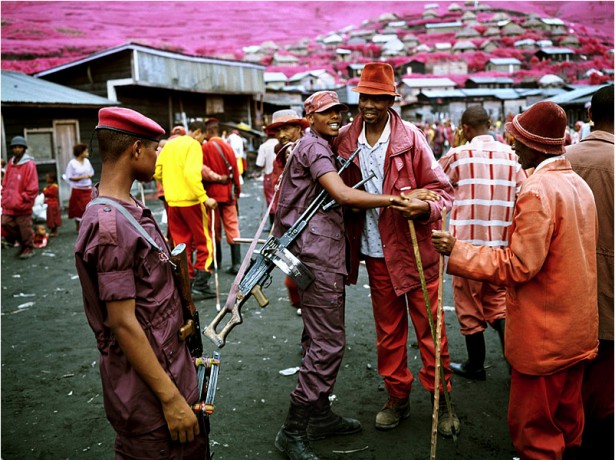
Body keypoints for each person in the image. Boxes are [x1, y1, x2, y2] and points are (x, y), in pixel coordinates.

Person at [432, 101, 599, 459]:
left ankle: (476, 364)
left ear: (534, 145)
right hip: (577, 330)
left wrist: (455, 250)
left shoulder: (539, 189)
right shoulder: (577, 185)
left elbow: (520, 266)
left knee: (534, 431)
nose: (513, 146)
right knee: (569, 424)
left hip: (545, 336)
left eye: (518, 141)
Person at [272, 90, 421, 460]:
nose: (336, 117)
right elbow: (342, 195)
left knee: (318, 336)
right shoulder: (316, 149)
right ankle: (293, 430)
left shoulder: (313, 145)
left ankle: (319, 414)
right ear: (311, 117)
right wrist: (393, 199)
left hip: (314, 254)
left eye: (339, 111)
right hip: (317, 256)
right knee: (328, 344)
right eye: (326, 113)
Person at [74, 107, 209, 459]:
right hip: (150, 395)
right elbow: (122, 322)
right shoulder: (111, 227)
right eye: (155, 148)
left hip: (168, 366)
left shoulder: (126, 206)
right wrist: (171, 400)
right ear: (135, 150)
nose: (158, 155)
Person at [332, 62, 458, 436]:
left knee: (431, 331)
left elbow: (443, 193)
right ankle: (397, 397)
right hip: (374, 252)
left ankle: (443, 400)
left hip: (414, 248)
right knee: (388, 332)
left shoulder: (412, 139)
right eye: (364, 97)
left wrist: (423, 207)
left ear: (390, 100)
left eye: (377, 98)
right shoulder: (344, 139)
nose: (368, 105)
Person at [438, 105, 527, 380]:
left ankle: (475, 365)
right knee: (499, 304)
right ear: (490, 124)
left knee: (468, 306)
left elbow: (434, 185)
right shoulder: (513, 158)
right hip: (501, 249)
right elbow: (525, 193)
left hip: (465, 249)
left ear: (465, 129)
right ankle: (514, 367)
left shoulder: (457, 156)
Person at [565, 84, 614, 458]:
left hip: (565, 287)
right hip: (609, 289)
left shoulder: (562, 159)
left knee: (570, 377)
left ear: (590, 115)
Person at [154, 120, 217, 300]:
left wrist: (172, 186)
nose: (203, 141)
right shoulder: (193, 145)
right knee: (204, 242)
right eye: (203, 137)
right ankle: (202, 284)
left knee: (181, 245)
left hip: (173, 202)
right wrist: (204, 198)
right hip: (191, 202)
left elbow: (157, 172)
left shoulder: (170, 145)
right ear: (198, 132)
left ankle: (186, 284)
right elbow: (191, 174)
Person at [263, 109, 310, 314]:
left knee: (307, 277)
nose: (281, 134)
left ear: (299, 129)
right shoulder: (281, 155)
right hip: (288, 222)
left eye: (286, 128)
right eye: (278, 130)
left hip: (309, 223)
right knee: (292, 275)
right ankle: (303, 306)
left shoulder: (310, 149)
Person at [202, 118, 242, 275]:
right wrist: (237, 190)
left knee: (213, 229)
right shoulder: (228, 147)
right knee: (232, 226)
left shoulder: (204, 148)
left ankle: (215, 261)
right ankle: (236, 263)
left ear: (209, 131)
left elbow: (202, 174)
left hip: (211, 195)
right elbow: (236, 172)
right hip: (228, 193)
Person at [1, 135, 39, 259]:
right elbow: (5, 182)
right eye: (15, 147)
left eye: (20, 147)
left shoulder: (29, 164)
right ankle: (22, 244)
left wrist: (25, 197)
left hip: (22, 203)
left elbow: (33, 185)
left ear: (24, 149)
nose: (17, 149)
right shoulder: (11, 163)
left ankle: (28, 248)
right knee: (5, 223)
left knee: (24, 227)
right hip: (10, 202)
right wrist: (4, 195)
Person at [256, 133, 282, 230]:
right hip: (281, 173)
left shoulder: (264, 146)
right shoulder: (281, 144)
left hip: (269, 174)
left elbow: (260, 163)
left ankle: (273, 224)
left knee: (270, 199)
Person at [65, 143, 95, 231]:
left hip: (87, 188)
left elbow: (91, 172)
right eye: (85, 151)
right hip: (78, 189)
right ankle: (79, 227)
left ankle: (88, 227)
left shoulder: (87, 161)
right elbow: (69, 176)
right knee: (78, 209)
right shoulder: (72, 163)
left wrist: (88, 176)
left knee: (89, 207)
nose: (87, 152)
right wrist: (82, 177)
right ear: (80, 152)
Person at [43, 171, 62, 237]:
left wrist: (45, 190)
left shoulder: (54, 187)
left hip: (53, 204)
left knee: (53, 217)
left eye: (47, 178)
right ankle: (52, 230)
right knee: (50, 217)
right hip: (50, 204)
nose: (46, 179)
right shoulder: (50, 186)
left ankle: (54, 231)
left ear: (52, 179)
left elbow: (48, 193)